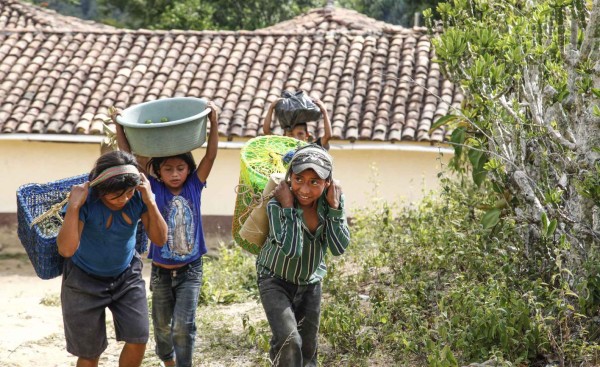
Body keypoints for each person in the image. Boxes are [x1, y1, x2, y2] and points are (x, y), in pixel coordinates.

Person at [115, 101, 219, 367]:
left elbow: (209, 156)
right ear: (158, 172)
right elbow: (130, 158)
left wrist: (213, 122)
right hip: (161, 272)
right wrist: (120, 126)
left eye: (181, 168)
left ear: (189, 170)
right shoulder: (153, 189)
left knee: (183, 326)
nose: (175, 174)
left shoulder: (195, 185)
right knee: (161, 327)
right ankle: (168, 362)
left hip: (191, 270)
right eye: (168, 169)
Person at [57, 150, 168, 367]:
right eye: (116, 194)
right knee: (89, 352)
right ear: (101, 189)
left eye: (127, 192)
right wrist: (74, 206)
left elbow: (160, 239)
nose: (123, 199)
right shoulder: (86, 201)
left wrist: (151, 201)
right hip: (82, 281)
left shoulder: (138, 197)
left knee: (138, 338)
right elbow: (66, 250)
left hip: (126, 276)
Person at [256, 144, 351, 367]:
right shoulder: (277, 203)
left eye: (314, 182)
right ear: (289, 178)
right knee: (290, 341)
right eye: (299, 180)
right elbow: (291, 251)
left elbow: (338, 248)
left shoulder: (331, 204)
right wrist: (289, 207)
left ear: (328, 183)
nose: (305, 189)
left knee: (307, 350)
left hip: (310, 283)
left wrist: (335, 208)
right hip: (274, 279)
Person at [263, 97, 332, 150]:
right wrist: (271, 108)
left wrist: (324, 112)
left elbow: (327, 136)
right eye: (291, 134)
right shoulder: (281, 146)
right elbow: (266, 131)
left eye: (300, 134)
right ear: (284, 135)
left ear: (307, 135)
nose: (295, 138)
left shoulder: (312, 149)